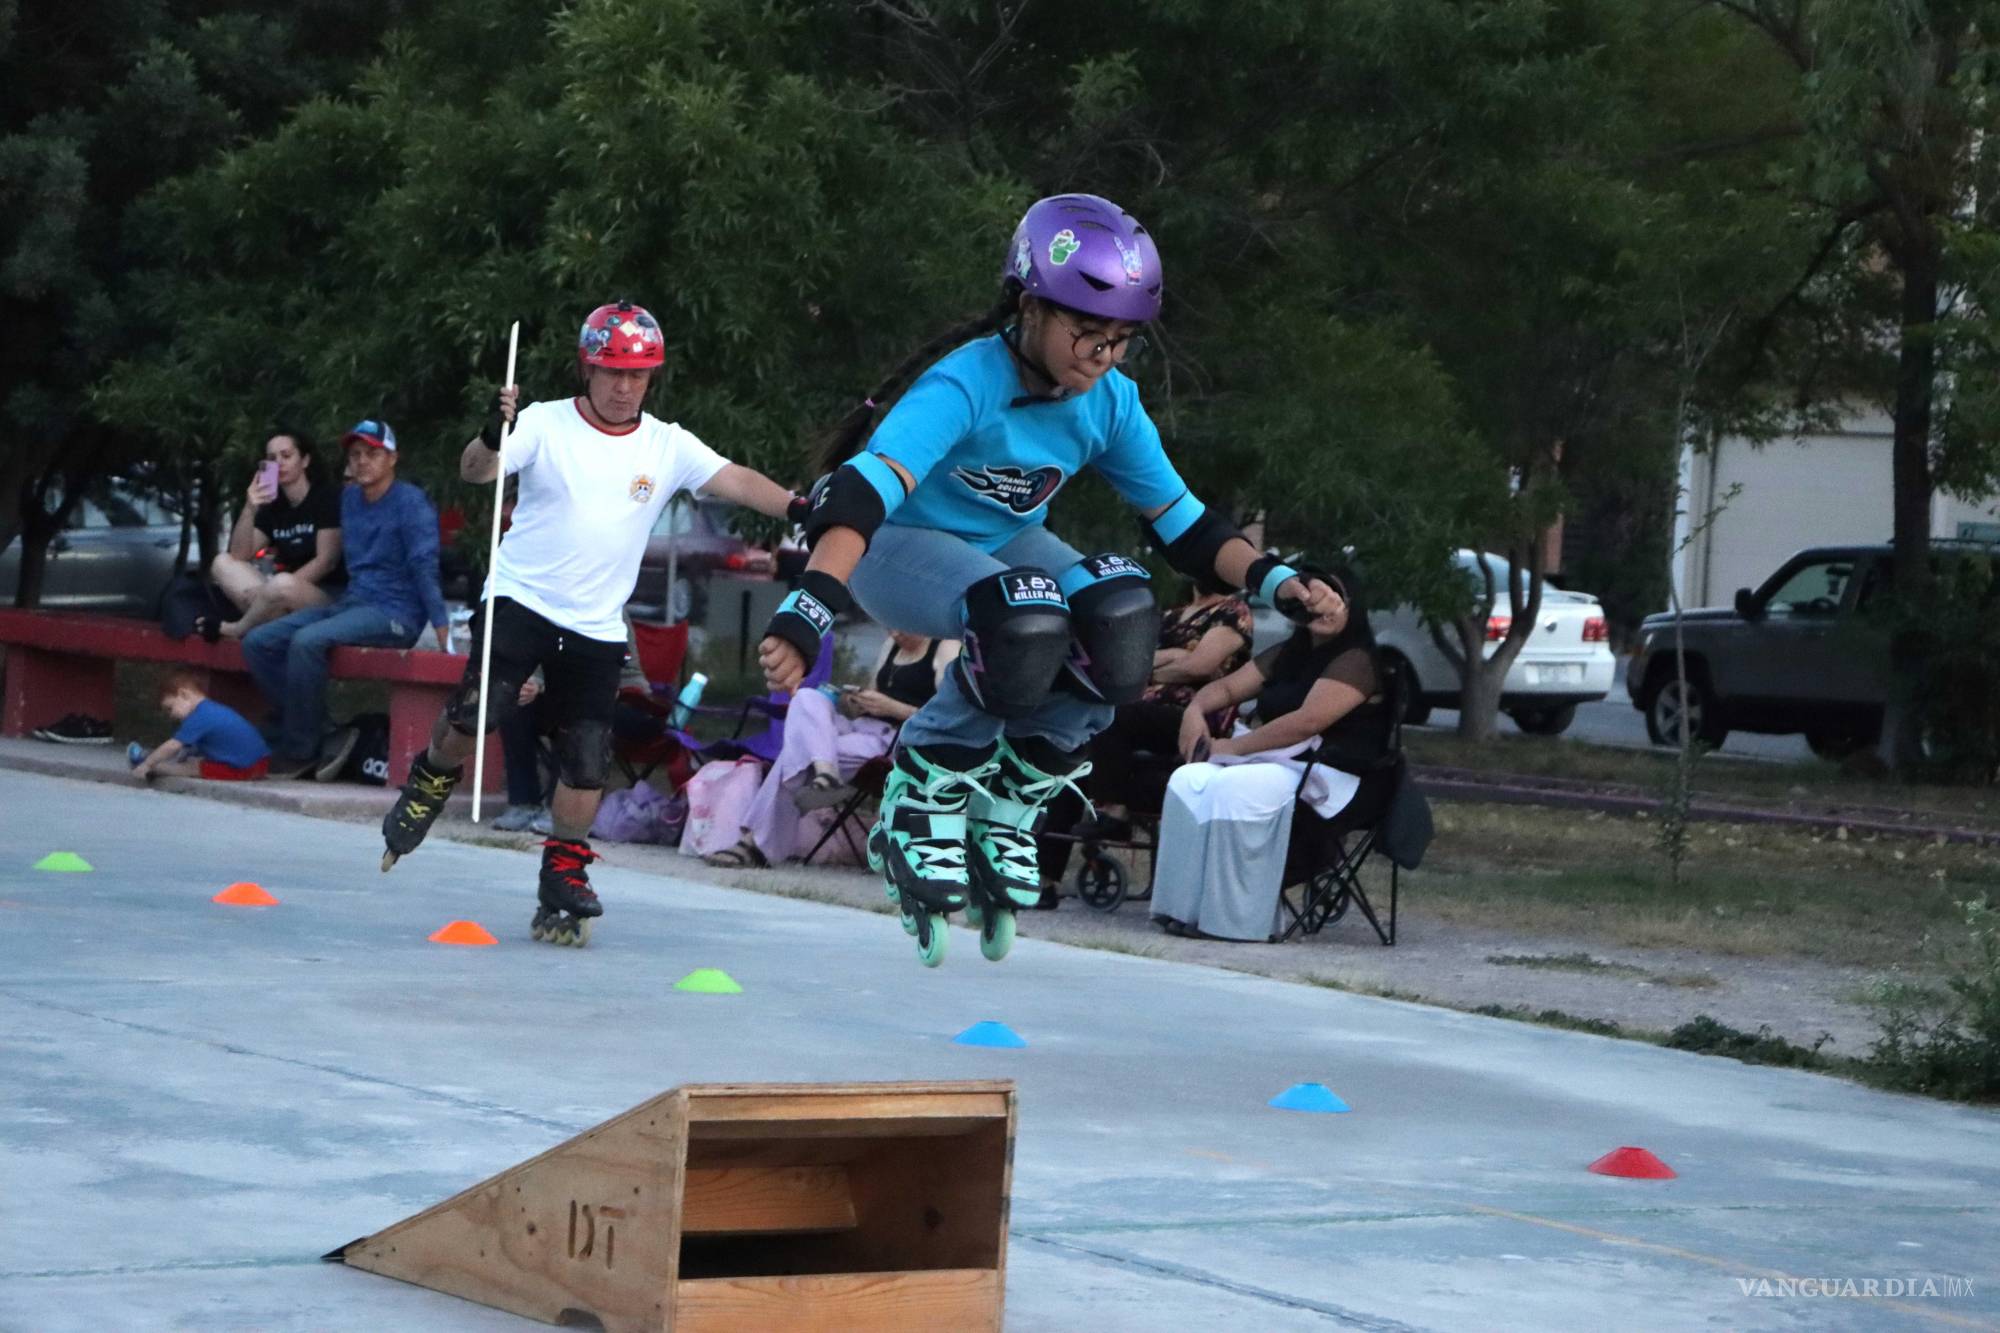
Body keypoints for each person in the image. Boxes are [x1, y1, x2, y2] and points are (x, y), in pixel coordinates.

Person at [755, 192, 1340, 968]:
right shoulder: (965, 381)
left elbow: (1188, 526)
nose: (1099, 357)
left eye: (1120, 341)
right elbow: (864, 492)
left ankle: (1014, 794)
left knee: (1121, 616)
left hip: (1002, 545)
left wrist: (1275, 582)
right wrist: (810, 604)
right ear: (1030, 305)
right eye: (1086, 332)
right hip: (896, 547)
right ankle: (925, 788)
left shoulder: (1110, 402)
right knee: (1020, 615)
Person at [376, 300, 803, 947]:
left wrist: (802, 505)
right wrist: (494, 432)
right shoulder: (543, 423)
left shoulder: (666, 443)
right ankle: (430, 779)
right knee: (478, 710)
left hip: (597, 624)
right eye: (611, 372)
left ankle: (564, 873)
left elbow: (736, 479)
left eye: (637, 375)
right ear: (588, 368)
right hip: (520, 598)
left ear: (651, 377)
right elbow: (475, 471)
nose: (623, 386)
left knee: (586, 756)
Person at [1151, 568, 1393, 942]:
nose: (1322, 610)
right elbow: (1229, 688)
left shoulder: (1356, 659)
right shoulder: (1288, 653)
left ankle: (1238, 920)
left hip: (1331, 772)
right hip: (1276, 761)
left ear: (1352, 606)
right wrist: (1195, 711)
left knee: (1236, 787)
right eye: (1310, 600)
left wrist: (1231, 746)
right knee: (1189, 780)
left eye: (1333, 600)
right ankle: (1185, 908)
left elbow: (1306, 722)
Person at [241, 421, 450, 777]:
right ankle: (324, 730)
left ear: (392, 458)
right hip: (353, 603)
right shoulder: (349, 499)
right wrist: (253, 505)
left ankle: (301, 750)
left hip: (395, 613)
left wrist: (443, 629)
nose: (362, 461)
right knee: (259, 642)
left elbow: (424, 567)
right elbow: (306, 516)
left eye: (373, 453)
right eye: (355, 454)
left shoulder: (411, 504)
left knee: (307, 642)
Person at [1034, 570, 1254, 902]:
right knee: (1075, 757)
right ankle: (1044, 877)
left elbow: (1200, 666)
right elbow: (1125, 661)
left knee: (1116, 716)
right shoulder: (1171, 615)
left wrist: (1151, 669)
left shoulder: (1233, 612)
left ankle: (1114, 809)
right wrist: (1171, 660)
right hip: (1140, 713)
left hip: (1191, 717)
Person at [706, 629, 959, 868]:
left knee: (797, 753)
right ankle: (826, 772)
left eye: (900, 626)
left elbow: (948, 719)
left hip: (895, 741)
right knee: (807, 698)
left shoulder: (945, 648)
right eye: (889, 627)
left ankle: (753, 843)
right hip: (861, 728)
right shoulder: (891, 647)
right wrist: (857, 701)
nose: (894, 633)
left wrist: (892, 708)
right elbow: (872, 696)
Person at [205, 430, 344, 641]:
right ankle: (274, 624)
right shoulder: (273, 507)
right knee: (222, 562)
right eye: (272, 459)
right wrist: (250, 508)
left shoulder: (325, 497)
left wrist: (269, 592)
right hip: (281, 598)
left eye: (286, 456)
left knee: (282, 584)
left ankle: (238, 629)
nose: (279, 463)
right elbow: (239, 555)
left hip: (327, 595)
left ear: (305, 460)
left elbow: (327, 561)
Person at [127, 670, 272, 781]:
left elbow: (173, 745)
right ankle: (150, 761)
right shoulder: (212, 708)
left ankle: (146, 764)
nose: (171, 715)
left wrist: (149, 763)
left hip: (241, 769)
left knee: (190, 767)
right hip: (261, 763)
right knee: (193, 759)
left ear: (183, 694)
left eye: (170, 708)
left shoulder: (198, 717)